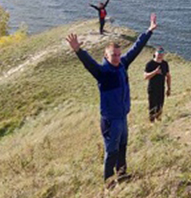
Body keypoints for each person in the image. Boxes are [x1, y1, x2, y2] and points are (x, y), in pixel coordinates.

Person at [65, 13, 158, 186]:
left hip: (122, 117)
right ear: (106, 56)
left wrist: (149, 31)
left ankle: (122, 175)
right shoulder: (102, 73)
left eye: (117, 54)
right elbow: (89, 63)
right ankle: (109, 183)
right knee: (111, 151)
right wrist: (78, 50)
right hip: (110, 120)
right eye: (112, 55)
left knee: (122, 148)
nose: (116, 57)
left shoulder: (123, 64)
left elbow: (136, 49)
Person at [144, 46, 171, 122]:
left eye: (162, 53)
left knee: (160, 106)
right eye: (159, 53)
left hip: (161, 88)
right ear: (155, 53)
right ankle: (151, 122)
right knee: (152, 106)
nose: (160, 55)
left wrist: (169, 88)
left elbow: (168, 76)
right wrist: (155, 72)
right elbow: (145, 76)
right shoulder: (150, 64)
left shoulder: (165, 64)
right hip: (152, 89)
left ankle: (159, 121)